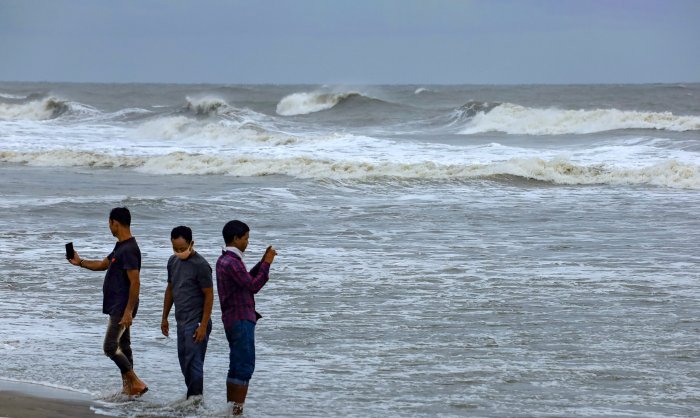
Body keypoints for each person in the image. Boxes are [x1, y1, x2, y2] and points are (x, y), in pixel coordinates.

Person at [67, 207, 148, 396]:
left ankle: (135, 381)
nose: (109, 227)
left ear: (115, 223)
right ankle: (128, 389)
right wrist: (80, 262)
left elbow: (135, 282)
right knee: (124, 346)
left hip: (122, 307)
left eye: (109, 223)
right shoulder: (121, 246)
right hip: (119, 306)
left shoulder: (129, 249)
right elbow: (103, 264)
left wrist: (128, 311)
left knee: (110, 346)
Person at [216, 220, 276, 415]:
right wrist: (267, 264)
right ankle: (237, 411)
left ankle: (231, 409)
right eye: (246, 238)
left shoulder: (225, 260)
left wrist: (261, 261)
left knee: (236, 365)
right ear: (236, 238)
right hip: (241, 318)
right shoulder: (232, 262)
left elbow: (246, 280)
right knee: (244, 366)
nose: (247, 242)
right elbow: (253, 286)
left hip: (233, 318)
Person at [160, 226, 214, 399]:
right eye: (175, 248)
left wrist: (203, 325)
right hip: (181, 321)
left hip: (197, 322)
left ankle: (195, 400)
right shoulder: (172, 262)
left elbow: (209, 295)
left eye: (182, 249)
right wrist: (164, 317)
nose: (179, 252)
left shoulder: (201, 265)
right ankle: (193, 398)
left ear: (192, 244)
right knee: (184, 362)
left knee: (194, 363)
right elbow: (170, 290)